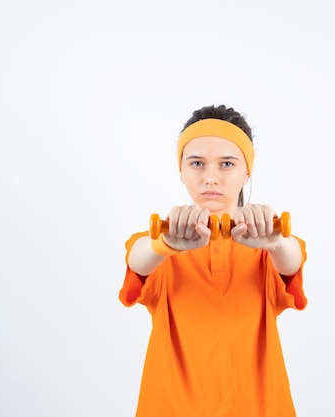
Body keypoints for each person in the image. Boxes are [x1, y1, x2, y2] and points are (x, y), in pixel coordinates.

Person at [119, 104, 307, 417]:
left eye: (226, 164)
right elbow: (138, 258)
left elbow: (292, 260)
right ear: (181, 170)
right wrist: (165, 243)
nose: (210, 178)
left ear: (247, 171)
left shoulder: (271, 246)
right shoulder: (159, 245)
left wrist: (274, 243)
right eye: (197, 163)